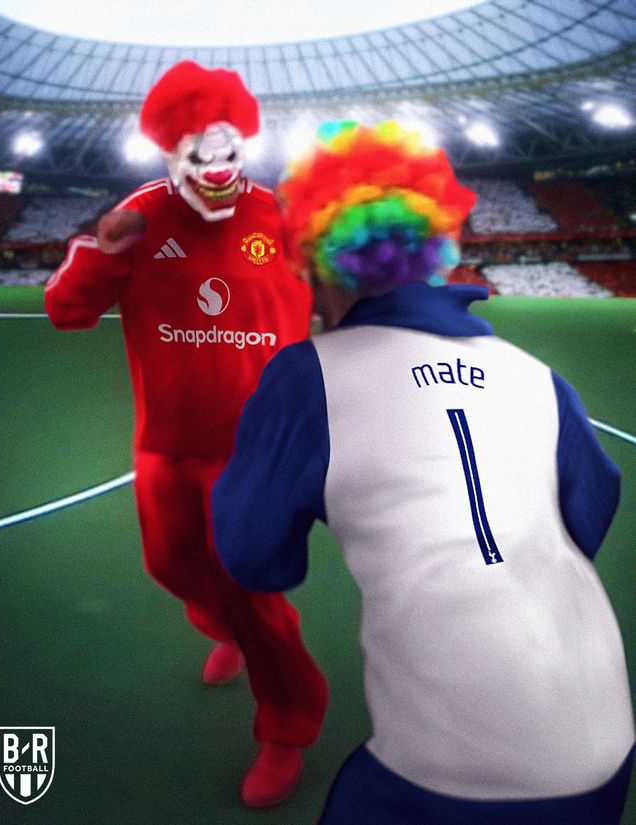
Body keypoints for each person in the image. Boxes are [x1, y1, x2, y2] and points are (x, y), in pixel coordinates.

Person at [211, 120, 635, 823]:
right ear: (433, 248)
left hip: (454, 771)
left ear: (320, 266)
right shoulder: (536, 376)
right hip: (609, 741)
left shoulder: (307, 376)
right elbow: (592, 510)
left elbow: (254, 558)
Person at [44, 61, 327, 808]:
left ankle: (286, 728)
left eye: (230, 151)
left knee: (254, 592)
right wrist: (103, 249)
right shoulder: (136, 219)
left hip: (256, 453)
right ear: (170, 155)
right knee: (171, 565)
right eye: (200, 154)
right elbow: (66, 311)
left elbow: (349, 294)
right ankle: (220, 622)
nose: (218, 168)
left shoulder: (286, 219)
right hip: (166, 446)